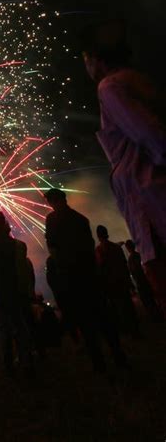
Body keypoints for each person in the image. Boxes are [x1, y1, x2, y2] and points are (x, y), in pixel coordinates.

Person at [81, 20, 166, 314]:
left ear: (98, 58)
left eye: (86, 59)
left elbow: (149, 134)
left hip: (152, 201)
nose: (86, 67)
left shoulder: (110, 87)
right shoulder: (139, 81)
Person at [44, 188, 126, 373]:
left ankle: (100, 363)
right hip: (88, 275)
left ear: (56, 200)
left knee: (87, 321)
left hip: (73, 277)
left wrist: (61, 269)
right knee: (103, 318)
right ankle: (117, 356)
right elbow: (88, 248)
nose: (51, 204)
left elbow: (53, 247)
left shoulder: (52, 220)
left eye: (51, 200)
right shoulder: (81, 219)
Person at [0, 210, 34, 374]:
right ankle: (25, 360)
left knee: (3, 329)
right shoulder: (14, 244)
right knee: (19, 326)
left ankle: (8, 365)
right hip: (13, 289)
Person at [95, 225, 140, 337]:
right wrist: (129, 282)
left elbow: (100, 268)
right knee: (128, 306)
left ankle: (127, 330)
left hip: (111, 284)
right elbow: (124, 265)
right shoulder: (116, 248)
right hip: (121, 280)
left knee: (118, 308)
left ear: (98, 236)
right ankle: (135, 329)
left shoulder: (99, 250)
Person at [124, 239, 163, 322]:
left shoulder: (130, 260)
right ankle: (158, 314)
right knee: (151, 299)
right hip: (146, 280)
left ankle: (154, 317)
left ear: (128, 248)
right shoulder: (139, 255)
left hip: (140, 283)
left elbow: (132, 272)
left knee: (147, 301)